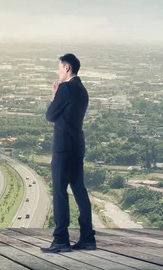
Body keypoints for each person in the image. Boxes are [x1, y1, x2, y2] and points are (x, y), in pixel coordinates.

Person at [41, 53, 96, 253]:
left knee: (59, 192)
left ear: (67, 68)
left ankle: (61, 240)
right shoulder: (82, 90)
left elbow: (50, 115)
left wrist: (54, 96)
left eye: (59, 67)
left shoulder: (65, 88)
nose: (58, 71)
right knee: (79, 191)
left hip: (63, 147)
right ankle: (88, 237)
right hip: (77, 146)